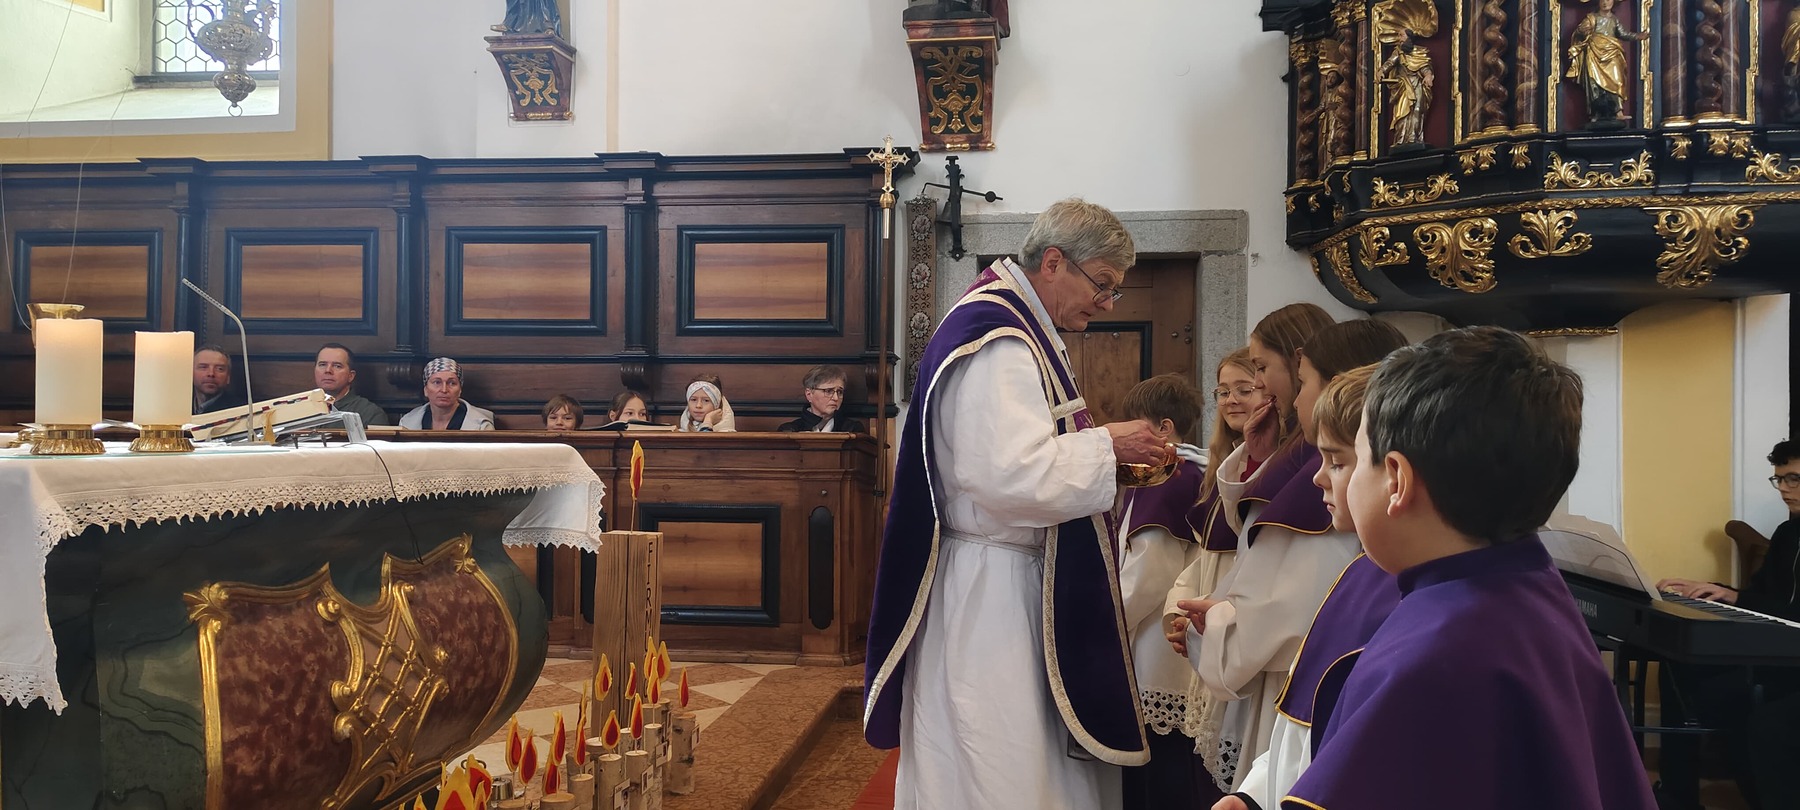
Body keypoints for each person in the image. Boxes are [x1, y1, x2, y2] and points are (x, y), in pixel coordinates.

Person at [863, 198, 1169, 810]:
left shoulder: (1012, 324)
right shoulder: (1000, 340)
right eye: (1102, 284)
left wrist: (1105, 450)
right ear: (1053, 262)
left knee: (1015, 758)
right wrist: (1108, 450)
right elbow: (1007, 477)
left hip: (1002, 576)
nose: (1108, 304)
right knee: (1000, 760)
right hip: (992, 591)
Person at [1282, 326, 1656, 809]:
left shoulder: (1428, 657)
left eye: (1357, 457)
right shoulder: (1533, 587)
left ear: (1396, 479)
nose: (1327, 478)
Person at [1160, 303, 1338, 791]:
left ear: (1299, 364)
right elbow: (1248, 539)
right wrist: (1260, 456)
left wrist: (1209, 631)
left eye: (1261, 369)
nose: (1258, 386)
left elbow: (1284, 593)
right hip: (1258, 657)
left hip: (1282, 673)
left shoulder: (1316, 465)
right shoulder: (1296, 451)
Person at [1216, 365, 1403, 810]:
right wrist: (1254, 795)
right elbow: (1306, 730)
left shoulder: (1412, 603)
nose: (1318, 477)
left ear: (1398, 475)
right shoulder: (1362, 573)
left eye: (1337, 462)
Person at [1652, 439, 1800, 810]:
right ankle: (1678, 796)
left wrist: (1737, 597)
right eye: (1779, 479)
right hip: (1778, 653)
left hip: (1791, 665)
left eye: (1794, 479)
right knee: (1678, 665)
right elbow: (1762, 598)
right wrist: (1716, 592)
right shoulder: (1788, 534)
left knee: (1761, 717)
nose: (1784, 489)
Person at [1113, 373, 1215, 810]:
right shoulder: (1192, 471)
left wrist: (1106, 624)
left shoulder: (1169, 478)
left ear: (1164, 429)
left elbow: (1150, 570)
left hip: (1155, 645)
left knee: (1158, 775)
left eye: (1137, 426)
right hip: (1169, 640)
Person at [1157, 348, 1257, 791]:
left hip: (1236, 630)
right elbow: (1204, 556)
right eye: (1224, 391)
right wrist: (1179, 612)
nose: (1231, 400)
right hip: (1205, 622)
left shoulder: (1271, 467)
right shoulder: (1222, 462)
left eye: (1244, 389)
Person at [1566, 0, 1648, 125]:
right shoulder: (1591, 18)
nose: (1605, 3)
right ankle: (1595, 113)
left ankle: (1618, 111)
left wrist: (1637, 36)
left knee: (1617, 80)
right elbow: (1580, 33)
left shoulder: (1614, 20)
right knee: (1594, 83)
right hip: (1594, 53)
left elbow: (1623, 34)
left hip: (1612, 53)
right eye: (1602, 0)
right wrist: (1583, 30)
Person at [398, 358, 496, 430]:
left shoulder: (481, 426)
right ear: (426, 389)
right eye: (437, 382)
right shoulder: (407, 423)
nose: (444, 390)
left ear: (460, 390)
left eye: (452, 383)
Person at [313, 343, 390, 427]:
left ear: (351, 376)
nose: (328, 370)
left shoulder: (370, 413)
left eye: (337, 366)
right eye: (322, 365)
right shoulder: (302, 407)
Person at [778, 364, 867, 433]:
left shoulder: (852, 429)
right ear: (809, 394)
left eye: (839, 392)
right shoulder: (790, 430)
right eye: (828, 391)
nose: (836, 398)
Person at [192, 345, 235, 414]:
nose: (211, 373)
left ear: (228, 377)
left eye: (219, 369)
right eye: (203, 367)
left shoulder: (241, 411)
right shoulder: (177, 406)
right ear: (190, 373)